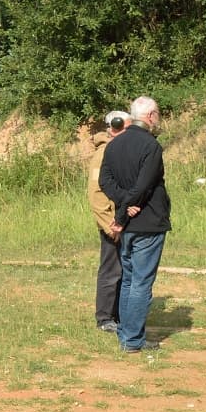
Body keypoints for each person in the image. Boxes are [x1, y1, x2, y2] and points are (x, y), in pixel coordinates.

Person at [98, 95, 172, 353]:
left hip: (129, 223)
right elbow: (143, 186)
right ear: (150, 116)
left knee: (129, 280)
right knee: (140, 282)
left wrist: (122, 207)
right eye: (157, 114)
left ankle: (126, 335)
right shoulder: (151, 146)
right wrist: (126, 209)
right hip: (147, 222)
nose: (158, 118)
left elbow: (105, 182)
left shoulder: (114, 144)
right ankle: (132, 340)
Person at [88, 110, 131, 332]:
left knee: (123, 270)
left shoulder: (119, 149)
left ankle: (118, 314)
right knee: (111, 270)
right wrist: (109, 225)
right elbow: (96, 194)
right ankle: (105, 318)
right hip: (112, 223)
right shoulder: (104, 152)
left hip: (122, 220)